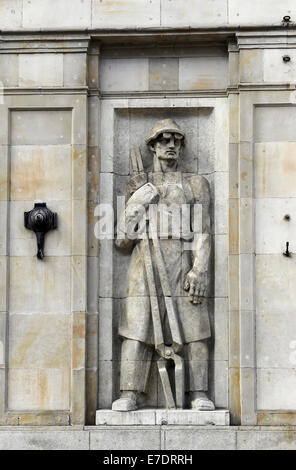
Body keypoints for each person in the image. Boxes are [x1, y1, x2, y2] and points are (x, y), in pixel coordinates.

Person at [112, 119, 214, 411]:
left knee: (195, 327)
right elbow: (121, 241)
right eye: (164, 140)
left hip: (182, 258)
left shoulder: (196, 184)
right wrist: (136, 203)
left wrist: (200, 268)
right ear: (153, 147)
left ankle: (198, 393)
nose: (171, 145)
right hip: (144, 260)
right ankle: (129, 392)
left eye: (176, 140)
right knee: (137, 325)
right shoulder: (139, 185)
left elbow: (204, 231)